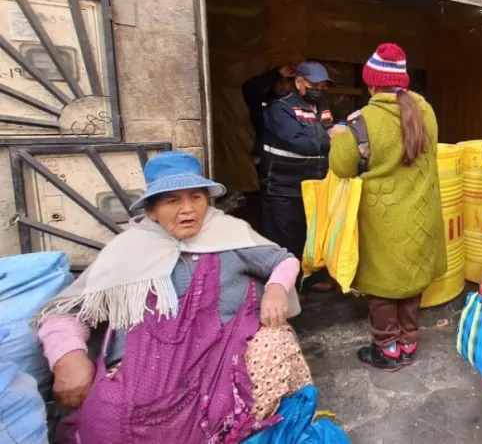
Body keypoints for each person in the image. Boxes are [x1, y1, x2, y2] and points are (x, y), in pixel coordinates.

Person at [34, 151, 314, 441]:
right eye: (172, 200)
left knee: (255, 377)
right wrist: (68, 357)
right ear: (151, 211)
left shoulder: (229, 233)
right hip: (146, 365)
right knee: (109, 420)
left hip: (221, 356)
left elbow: (282, 260)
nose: (188, 209)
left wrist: (276, 289)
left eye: (196, 197)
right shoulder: (127, 250)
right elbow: (66, 312)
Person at [329, 43, 445, 371]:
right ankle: (409, 341)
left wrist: (338, 136)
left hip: (383, 219)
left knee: (382, 285)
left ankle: (387, 349)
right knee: (411, 277)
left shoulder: (362, 121)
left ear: (371, 85)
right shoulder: (426, 111)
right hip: (421, 213)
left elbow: (342, 167)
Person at [259, 61, 334, 268]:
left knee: (311, 237)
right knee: (286, 244)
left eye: (323, 86)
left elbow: (329, 130)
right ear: (299, 82)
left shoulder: (323, 106)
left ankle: (310, 278)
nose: (319, 90)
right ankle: (288, 282)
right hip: (284, 189)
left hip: (315, 186)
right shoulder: (280, 109)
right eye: (314, 85)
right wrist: (336, 139)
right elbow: (300, 143)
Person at [242, 64, 298, 179]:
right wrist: (277, 74)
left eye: (287, 82)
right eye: (279, 81)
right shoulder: (264, 100)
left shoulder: (299, 103)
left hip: (293, 157)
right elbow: (249, 88)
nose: (282, 86)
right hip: (266, 157)